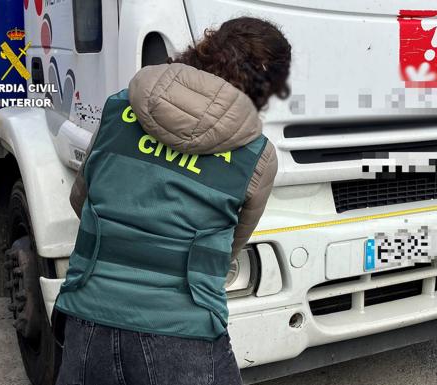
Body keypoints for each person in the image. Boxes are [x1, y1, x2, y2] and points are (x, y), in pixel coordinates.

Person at [52, 16, 291, 385]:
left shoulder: (119, 108)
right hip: (183, 336)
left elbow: (81, 200)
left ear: (207, 49)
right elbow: (228, 248)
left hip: (87, 320)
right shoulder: (256, 156)